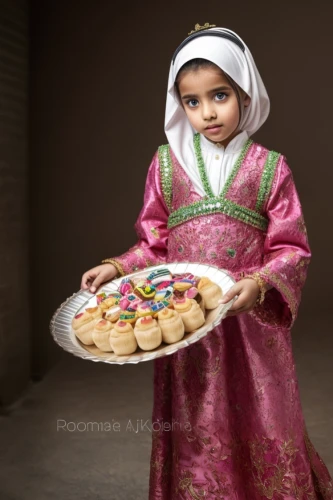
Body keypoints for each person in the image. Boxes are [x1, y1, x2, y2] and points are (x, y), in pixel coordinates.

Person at [81, 25, 333, 499]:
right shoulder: (166, 164)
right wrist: (117, 266)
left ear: (244, 91)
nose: (207, 112)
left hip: (249, 326)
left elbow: (291, 250)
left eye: (219, 95)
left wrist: (259, 285)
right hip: (187, 326)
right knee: (197, 424)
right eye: (191, 101)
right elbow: (155, 246)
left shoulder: (269, 167)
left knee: (264, 416)